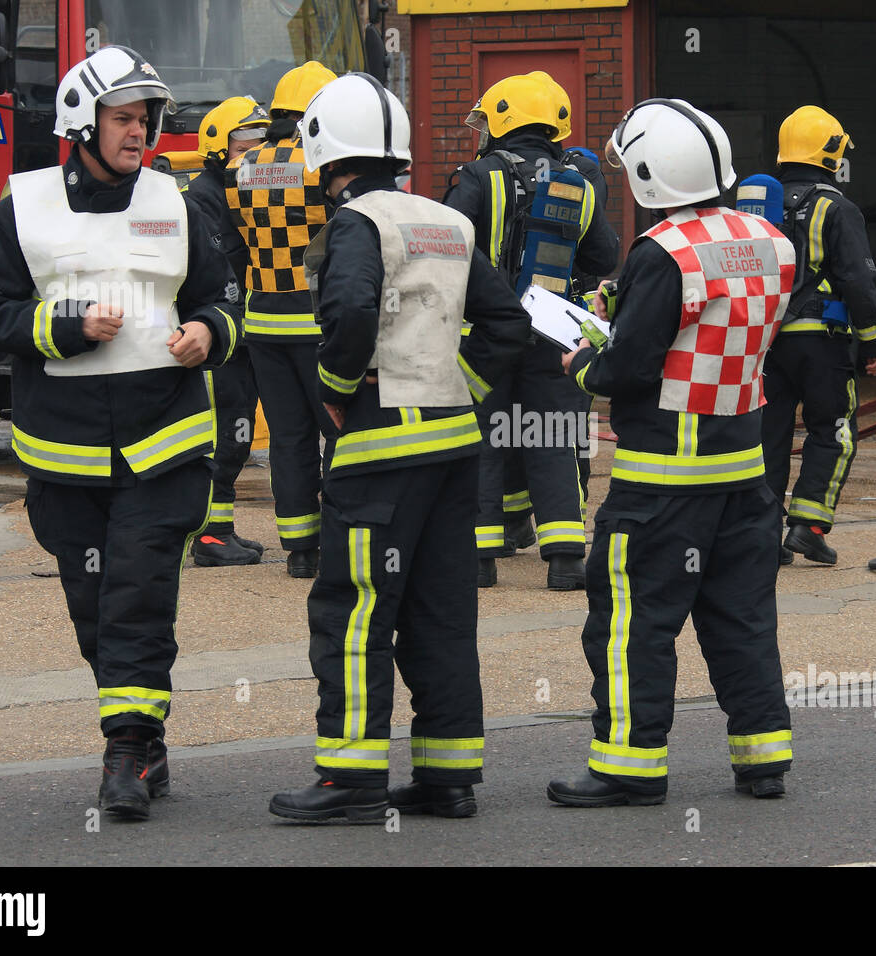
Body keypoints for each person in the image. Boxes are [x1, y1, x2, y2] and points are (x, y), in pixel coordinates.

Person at [0, 46, 238, 820]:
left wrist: (210, 333)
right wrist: (65, 326)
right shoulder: (24, 208)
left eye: (146, 118)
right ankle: (145, 743)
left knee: (137, 595)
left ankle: (124, 750)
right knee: (95, 603)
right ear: (82, 123)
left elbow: (225, 294)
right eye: (124, 118)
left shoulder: (178, 202)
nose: (140, 132)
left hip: (166, 447)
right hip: (66, 458)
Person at [267, 73, 530, 823]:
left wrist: (334, 387)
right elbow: (507, 324)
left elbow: (349, 309)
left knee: (353, 611)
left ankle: (350, 779)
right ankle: (449, 778)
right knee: (440, 612)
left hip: (380, 452)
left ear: (327, 154)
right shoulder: (445, 220)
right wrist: (462, 384)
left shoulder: (355, 222)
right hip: (452, 452)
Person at [547, 98, 795, 807]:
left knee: (632, 623)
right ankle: (763, 758)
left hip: (662, 483)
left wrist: (584, 365)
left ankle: (629, 767)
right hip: (744, 474)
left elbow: (630, 367)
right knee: (742, 619)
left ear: (652, 173)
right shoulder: (771, 240)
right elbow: (719, 324)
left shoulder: (662, 252)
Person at [444, 71, 620, 590]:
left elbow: (450, 244)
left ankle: (479, 558)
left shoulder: (477, 176)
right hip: (553, 332)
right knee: (553, 435)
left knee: (483, 436)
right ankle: (565, 556)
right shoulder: (579, 182)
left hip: (484, 332)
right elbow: (604, 256)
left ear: (501, 120)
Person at [761, 106, 876, 567]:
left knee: (767, 437)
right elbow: (858, 282)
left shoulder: (757, 206)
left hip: (765, 345)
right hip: (823, 344)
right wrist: (875, 342)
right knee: (833, 432)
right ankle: (809, 527)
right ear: (831, 153)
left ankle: (763, 538)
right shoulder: (838, 208)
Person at [226, 61, 337, 577]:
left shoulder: (242, 168)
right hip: (316, 323)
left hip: (263, 321)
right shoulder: (323, 166)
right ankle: (337, 538)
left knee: (290, 439)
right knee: (339, 432)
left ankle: (299, 549)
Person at [183, 96, 270, 565]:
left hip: (242, 330)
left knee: (236, 436)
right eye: (246, 141)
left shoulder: (244, 190)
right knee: (224, 436)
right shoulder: (202, 201)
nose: (255, 149)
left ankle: (218, 529)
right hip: (220, 336)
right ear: (218, 147)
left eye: (261, 139)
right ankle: (210, 536)